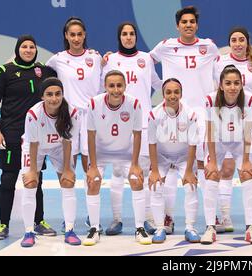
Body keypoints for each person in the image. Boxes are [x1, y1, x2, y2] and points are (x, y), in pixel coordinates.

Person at [150, 6, 219, 234]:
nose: (188, 25)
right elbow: (143, 62)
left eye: (192, 22)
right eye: (184, 22)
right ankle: (167, 218)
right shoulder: (166, 46)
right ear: (177, 26)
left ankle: (212, 215)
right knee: (170, 168)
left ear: (196, 25)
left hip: (201, 114)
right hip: (173, 111)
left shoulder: (208, 46)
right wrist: (156, 86)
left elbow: (221, 70)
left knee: (201, 166)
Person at [0, 35, 57, 240]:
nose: (28, 50)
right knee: (8, 179)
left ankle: (39, 221)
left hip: (36, 135)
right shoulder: (4, 71)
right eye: (25, 47)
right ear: (18, 49)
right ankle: (3, 224)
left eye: (32, 47)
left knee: (36, 179)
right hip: (11, 133)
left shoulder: (43, 70)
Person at [100, 21, 162, 236]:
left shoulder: (146, 59)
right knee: (117, 172)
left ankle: (147, 219)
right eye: (124, 34)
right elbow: (101, 88)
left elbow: (158, 84)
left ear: (136, 36)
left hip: (142, 124)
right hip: (117, 125)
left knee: (141, 173)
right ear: (120, 37)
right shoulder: (110, 61)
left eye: (132, 33)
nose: (128, 37)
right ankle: (117, 219)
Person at [84, 70, 151, 246]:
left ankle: (139, 228)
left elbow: (137, 135)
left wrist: (135, 164)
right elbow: (90, 135)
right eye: (111, 86)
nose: (115, 90)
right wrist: (93, 165)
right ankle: (94, 228)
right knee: (93, 181)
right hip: (101, 152)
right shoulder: (94, 104)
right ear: (105, 87)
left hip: (125, 152)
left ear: (125, 86)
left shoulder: (134, 103)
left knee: (137, 180)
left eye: (119, 85)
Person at [213, 26, 252, 232]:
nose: (238, 43)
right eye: (234, 40)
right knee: (227, 169)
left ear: (247, 42)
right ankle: (225, 216)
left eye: (241, 40)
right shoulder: (220, 62)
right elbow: (216, 87)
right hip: (228, 117)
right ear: (229, 43)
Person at [202, 65, 252, 245]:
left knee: (247, 174)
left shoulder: (250, 100)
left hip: (240, 142)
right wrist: (212, 161)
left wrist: (245, 161)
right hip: (217, 142)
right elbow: (210, 132)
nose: (232, 87)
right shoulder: (210, 100)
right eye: (228, 83)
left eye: (236, 83)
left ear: (242, 84)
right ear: (221, 85)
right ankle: (210, 227)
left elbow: (249, 132)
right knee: (211, 175)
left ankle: (250, 228)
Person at [19, 78, 81, 247]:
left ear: (62, 94)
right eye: (49, 94)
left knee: (68, 182)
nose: (54, 98)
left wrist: (68, 168)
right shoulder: (33, 114)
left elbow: (68, 141)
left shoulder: (72, 113)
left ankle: (69, 229)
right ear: (42, 96)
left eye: (58, 94)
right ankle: (29, 231)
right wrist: (32, 170)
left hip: (59, 147)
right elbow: (32, 143)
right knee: (30, 183)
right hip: (35, 147)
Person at [46, 17, 102, 200]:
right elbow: (44, 79)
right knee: (66, 167)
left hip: (90, 117)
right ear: (66, 36)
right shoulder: (58, 59)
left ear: (84, 35)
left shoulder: (95, 57)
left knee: (90, 165)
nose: (76, 38)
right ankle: (68, 215)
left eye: (79, 34)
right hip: (67, 117)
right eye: (72, 35)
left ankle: (91, 215)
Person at [148, 78, 201, 244]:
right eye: (168, 92)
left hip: (184, 156)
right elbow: (152, 143)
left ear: (181, 94)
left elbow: (193, 144)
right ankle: (159, 228)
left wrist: (189, 171)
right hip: (162, 156)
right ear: (163, 94)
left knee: (190, 186)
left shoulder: (191, 114)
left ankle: (190, 227)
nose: (172, 96)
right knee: (156, 185)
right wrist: (155, 170)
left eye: (176, 92)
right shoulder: (154, 115)